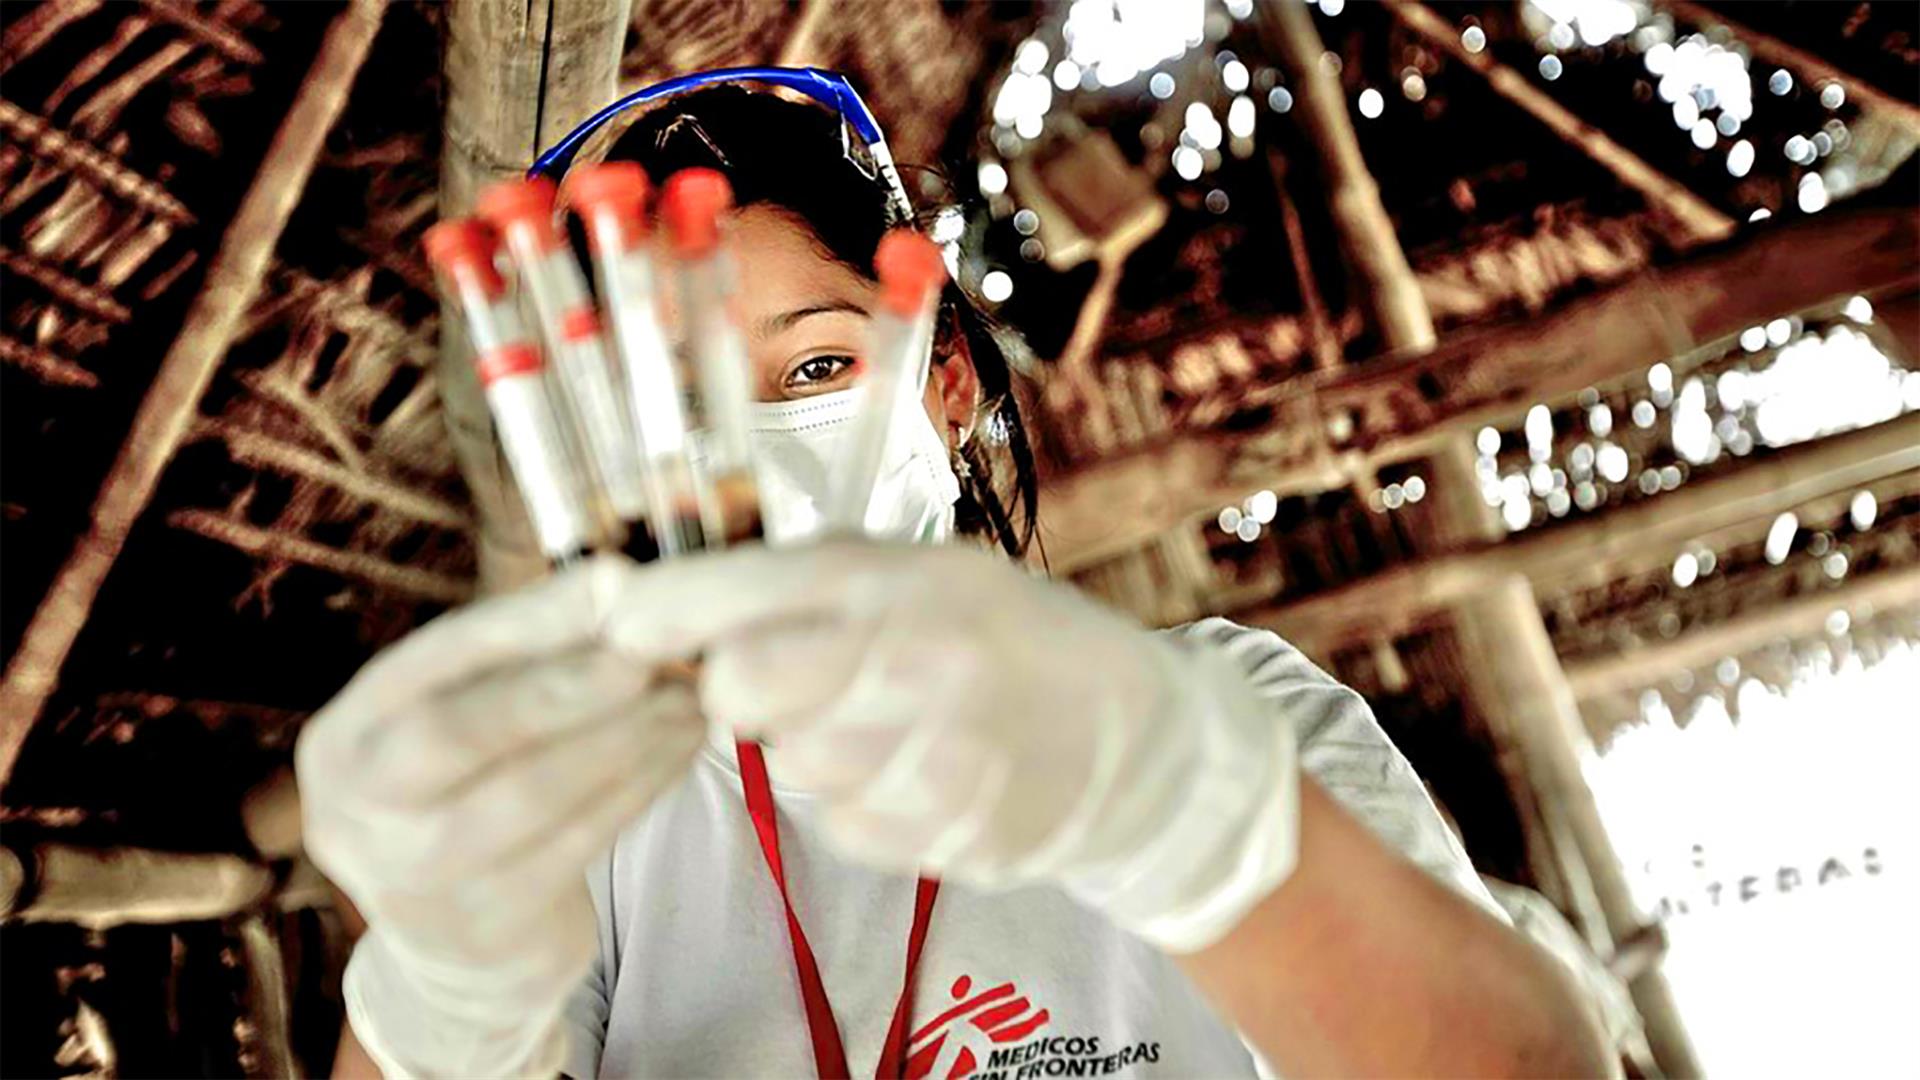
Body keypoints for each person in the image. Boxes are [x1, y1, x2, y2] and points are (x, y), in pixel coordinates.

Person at [298, 77, 1613, 1079]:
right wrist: (437, 994)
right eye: (681, 403)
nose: (754, 449)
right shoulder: (586, 833)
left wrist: (1191, 826)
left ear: (944, 382)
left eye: (819, 365)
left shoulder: (1226, 719)